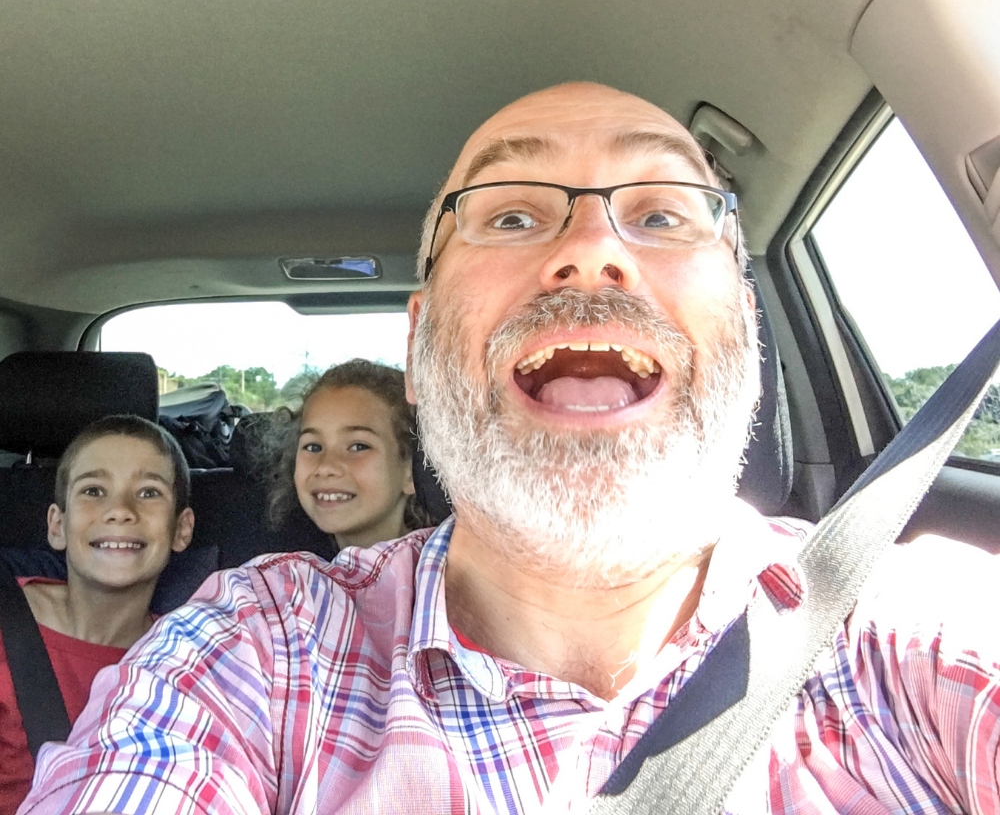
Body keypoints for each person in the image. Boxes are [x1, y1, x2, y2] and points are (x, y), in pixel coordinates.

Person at [19, 83, 1000, 814]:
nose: (591, 247)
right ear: (419, 345)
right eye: (514, 215)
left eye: (659, 212)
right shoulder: (260, 648)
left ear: (743, 321)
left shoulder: (917, 634)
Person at [2, 415, 194, 815]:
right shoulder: (7, 624)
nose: (120, 510)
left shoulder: (188, 666)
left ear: (181, 529)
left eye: (147, 492)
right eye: (93, 490)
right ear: (57, 525)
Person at [267, 359, 432, 552]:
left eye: (358, 446)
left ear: (413, 471)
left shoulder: (446, 573)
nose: (325, 467)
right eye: (313, 447)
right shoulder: (289, 573)